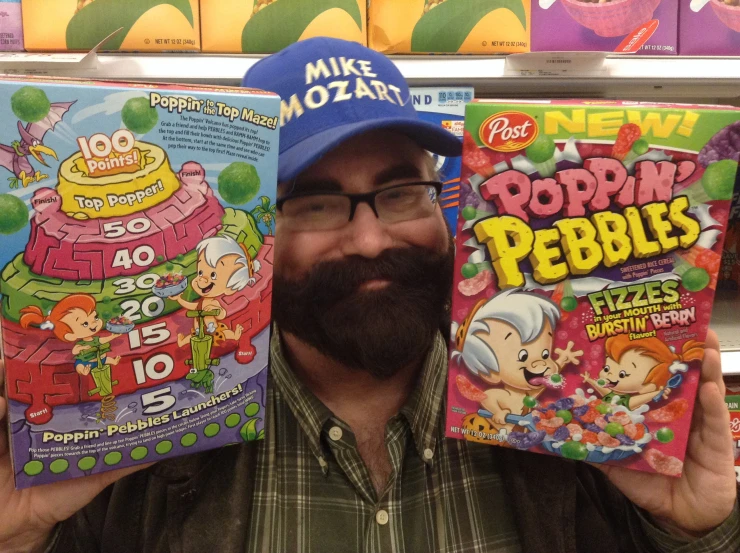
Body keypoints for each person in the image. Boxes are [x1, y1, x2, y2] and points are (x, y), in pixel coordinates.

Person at [0, 38, 737, 553]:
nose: (369, 240)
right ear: (254, 232)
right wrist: (21, 535)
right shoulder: (149, 447)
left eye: (399, 190)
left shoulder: (568, 423)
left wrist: (694, 532)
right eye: (315, 204)